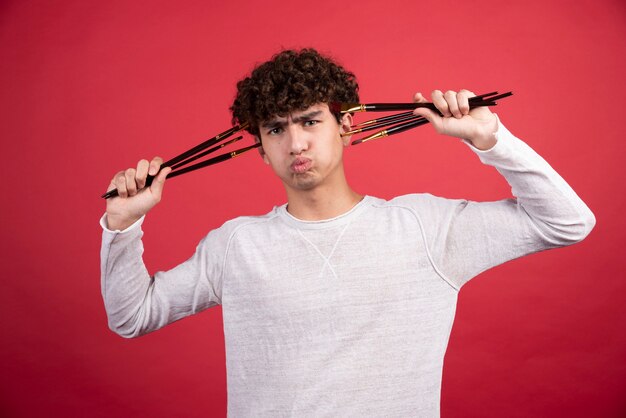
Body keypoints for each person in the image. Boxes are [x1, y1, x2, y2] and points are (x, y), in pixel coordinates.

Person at [100, 49, 595, 417]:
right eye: (275, 129)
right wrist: (123, 225)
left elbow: (567, 222)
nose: (296, 143)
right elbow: (132, 316)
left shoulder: (424, 227)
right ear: (259, 150)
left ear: (347, 128)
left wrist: (491, 141)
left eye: (311, 121)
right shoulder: (237, 245)